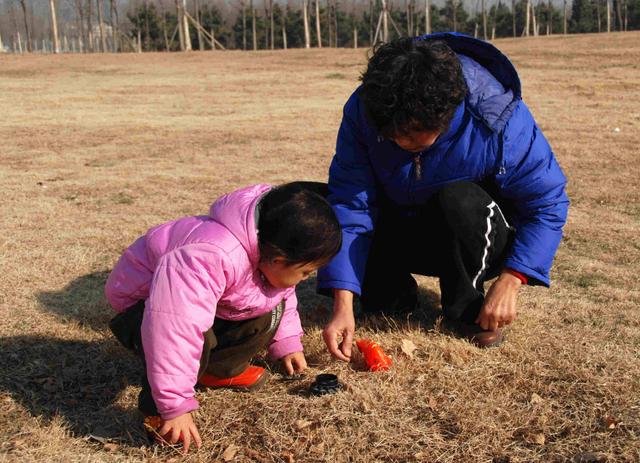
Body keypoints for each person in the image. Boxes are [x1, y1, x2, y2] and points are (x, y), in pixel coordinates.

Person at [318, 33, 569, 359]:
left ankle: (466, 309)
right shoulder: (365, 107)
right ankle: (391, 296)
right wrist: (343, 300)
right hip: (403, 223)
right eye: (389, 136)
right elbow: (352, 202)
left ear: (446, 113)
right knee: (311, 204)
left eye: (412, 139)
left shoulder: (495, 116)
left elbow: (547, 204)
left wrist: (513, 278)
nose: (398, 144)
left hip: (473, 235)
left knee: (459, 198)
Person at [105, 182, 341, 453]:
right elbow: (173, 327)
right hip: (143, 308)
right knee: (195, 336)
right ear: (277, 259)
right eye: (306, 272)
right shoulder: (209, 255)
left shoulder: (269, 248)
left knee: (269, 311)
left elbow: (280, 296)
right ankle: (157, 411)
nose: (305, 279)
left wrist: (287, 341)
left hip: (195, 305)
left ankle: (211, 372)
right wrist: (173, 407)